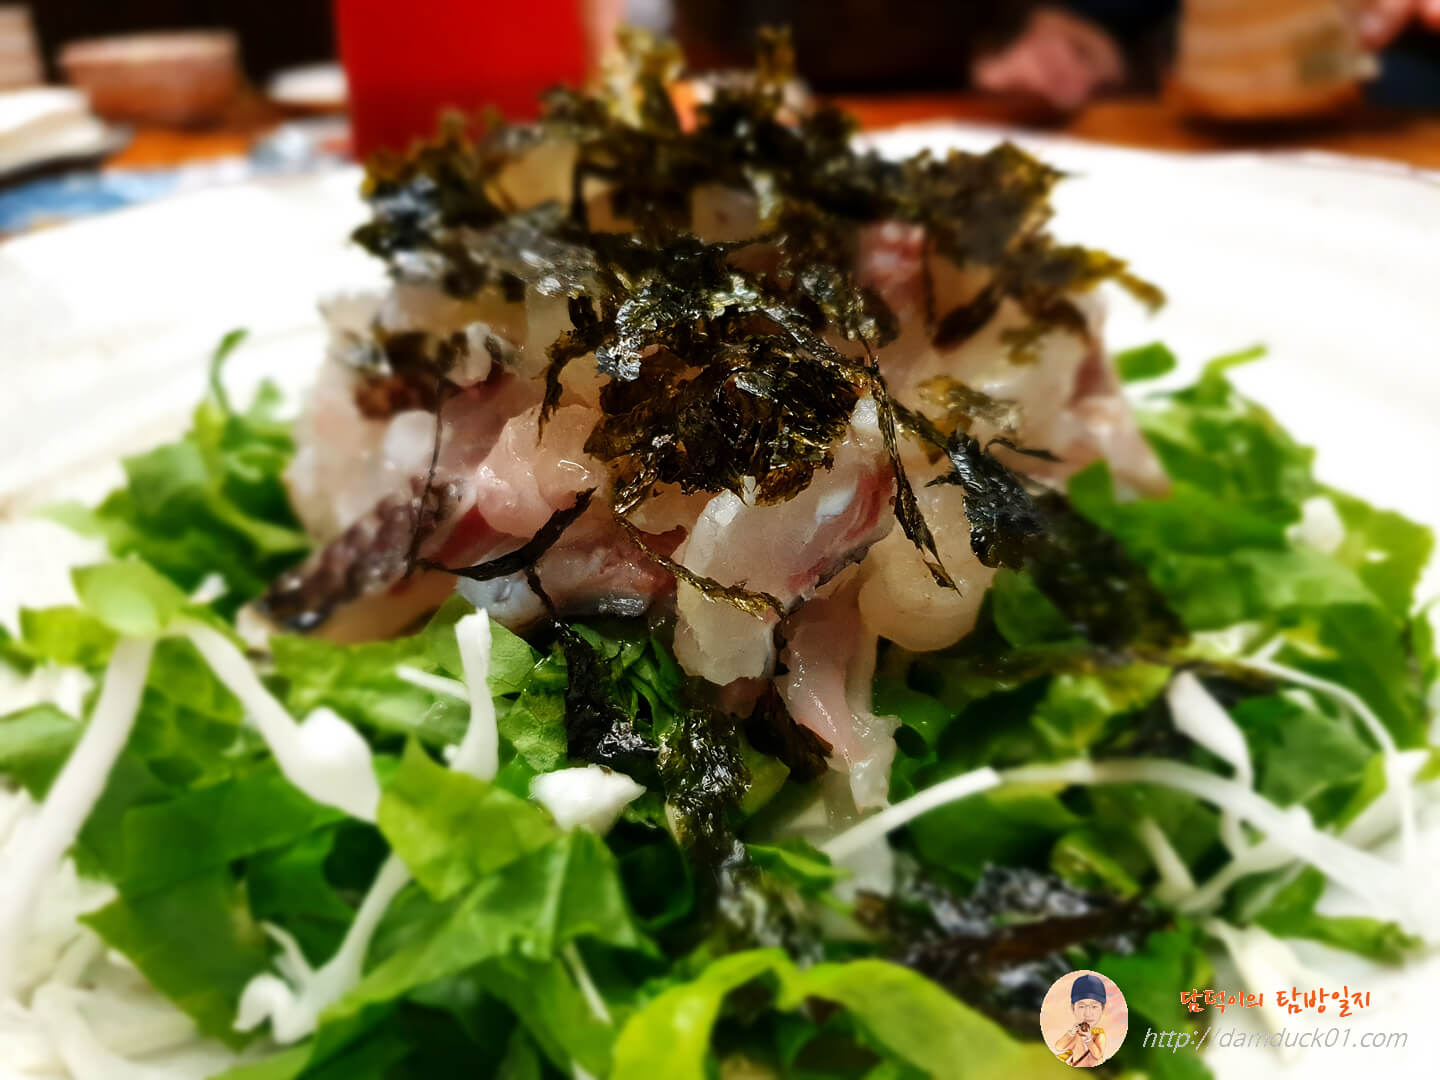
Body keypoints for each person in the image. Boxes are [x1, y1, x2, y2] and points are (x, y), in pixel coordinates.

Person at [1051, 972, 1110, 1067]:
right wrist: (1071, 1033)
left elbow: (1097, 1055)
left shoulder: (1099, 1035)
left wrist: (1089, 1039)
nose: (1087, 1013)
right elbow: (1059, 1047)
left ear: (1102, 1008)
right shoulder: (1076, 1033)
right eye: (1081, 1006)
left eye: (1094, 1006)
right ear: (1073, 1008)